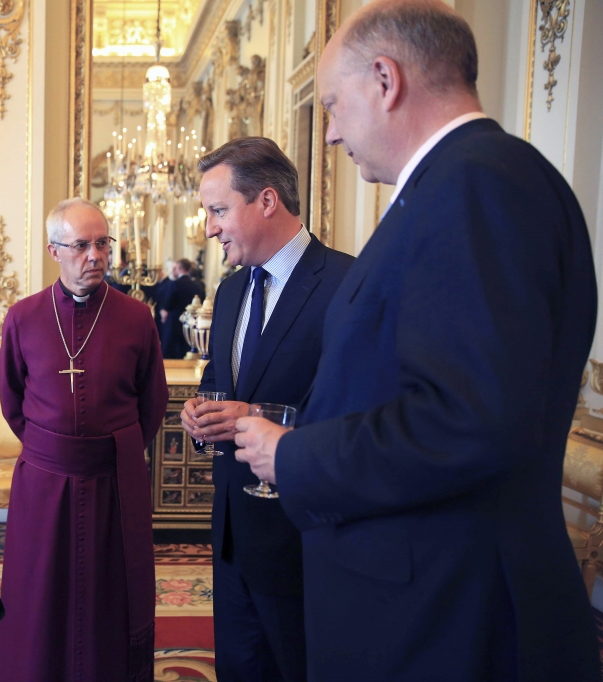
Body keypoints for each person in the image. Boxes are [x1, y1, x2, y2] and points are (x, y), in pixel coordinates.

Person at [232, 2, 599, 680]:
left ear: (385, 79)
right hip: (427, 594)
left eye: (336, 106)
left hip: (450, 615)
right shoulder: (457, 184)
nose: (333, 133)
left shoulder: (479, 184)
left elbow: (469, 418)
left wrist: (297, 453)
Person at [180, 137, 353, 682]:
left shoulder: (347, 286)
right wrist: (201, 418)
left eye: (217, 210)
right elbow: (217, 383)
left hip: (304, 537)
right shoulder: (228, 293)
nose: (209, 228)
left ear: (268, 202)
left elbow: (358, 412)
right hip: (233, 535)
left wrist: (260, 414)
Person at [0, 198, 169, 682]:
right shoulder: (23, 317)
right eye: (81, 245)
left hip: (114, 481)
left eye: (102, 243)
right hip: (45, 483)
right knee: (41, 596)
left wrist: (108, 450)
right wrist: (54, 451)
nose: (94, 255)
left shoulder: (136, 318)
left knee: (109, 597)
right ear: (55, 250)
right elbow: (12, 401)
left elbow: (151, 402)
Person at [159, 258, 206, 359]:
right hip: (191, 322)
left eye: (175, 267)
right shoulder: (197, 286)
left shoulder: (175, 284)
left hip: (173, 322)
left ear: (179, 268)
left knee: (170, 352)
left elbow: (167, 304)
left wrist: (163, 315)